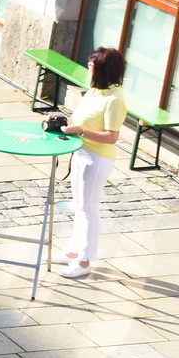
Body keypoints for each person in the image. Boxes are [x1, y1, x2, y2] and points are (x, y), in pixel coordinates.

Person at [57, 47, 128, 280]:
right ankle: (73, 251)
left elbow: (112, 136)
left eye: (91, 66)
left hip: (97, 158)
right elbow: (80, 121)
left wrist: (82, 131)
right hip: (81, 153)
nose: (88, 69)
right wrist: (63, 123)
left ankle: (84, 261)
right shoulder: (95, 91)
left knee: (89, 209)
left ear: (103, 69)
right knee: (79, 206)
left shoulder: (114, 99)